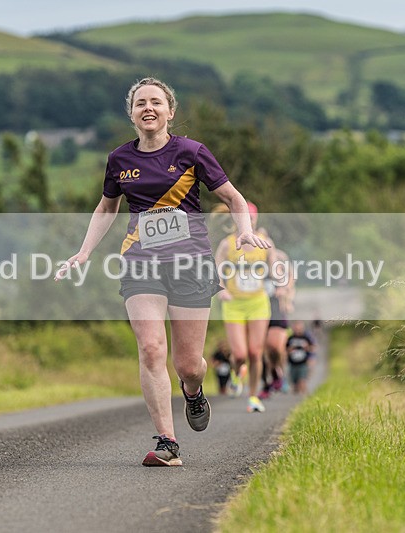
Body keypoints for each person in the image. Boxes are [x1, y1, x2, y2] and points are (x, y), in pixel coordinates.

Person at [55, 77, 269, 467]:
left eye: (156, 102)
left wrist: (246, 232)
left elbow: (233, 198)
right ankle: (168, 442)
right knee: (152, 348)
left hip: (190, 264)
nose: (148, 108)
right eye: (140, 103)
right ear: (132, 113)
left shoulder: (192, 152)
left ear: (170, 111)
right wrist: (84, 252)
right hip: (141, 263)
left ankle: (193, 390)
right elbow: (106, 208)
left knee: (188, 364)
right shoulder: (120, 159)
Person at [214, 202, 283, 413]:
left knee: (255, 352)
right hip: (234, 304)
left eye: (252, 219)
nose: (249, 223)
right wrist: (221, 289)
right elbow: (215, 269)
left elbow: (276, 267)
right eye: (245, 219)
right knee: (240, 354)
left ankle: (253, 397)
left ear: (255, 220)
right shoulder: (228, 244)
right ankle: (236, 373)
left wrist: (281, 284)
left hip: (258, 303)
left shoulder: (265, 243)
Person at [262, 247, 295, 397]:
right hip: (259, 312)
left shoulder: (279, 260)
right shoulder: (256, 265)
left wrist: (285, 291)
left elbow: (290, 277)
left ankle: (279, 373)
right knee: (262, 351)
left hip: (277, 312)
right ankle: (267, 382)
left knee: (276, 348)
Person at [286, 320, 317, 395]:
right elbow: (285, 349)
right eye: (296, 328)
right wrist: (290, 350)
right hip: (293, 364)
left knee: (302, 381)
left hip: (303, 363)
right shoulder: (290, 338)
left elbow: (313, 348)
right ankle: (296, 398)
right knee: (295, 385)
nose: (297, 329)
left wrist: (307, 348)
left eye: (299, 328)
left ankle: (304, 395)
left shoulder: (306, 338)